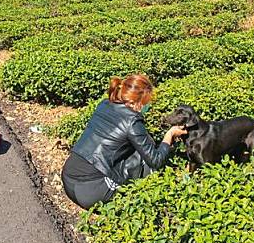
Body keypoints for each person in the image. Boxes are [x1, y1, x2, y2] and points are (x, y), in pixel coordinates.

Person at [61, 74, 187, 209]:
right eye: (145, 103)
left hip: (68, 178)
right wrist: (170, 135)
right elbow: (155, 160)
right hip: (91, 192)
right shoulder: (132, 121)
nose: (147, 106)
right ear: (134, 102)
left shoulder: (105, 103)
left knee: (139, 146)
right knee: (145, 161)